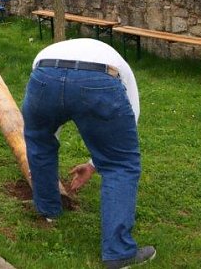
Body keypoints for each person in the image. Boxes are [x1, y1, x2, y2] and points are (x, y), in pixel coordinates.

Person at [22, 38, 154, 269]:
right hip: (98, 77)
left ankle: (49, 210)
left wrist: (91, 164)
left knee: (39, 142)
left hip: (44, 73)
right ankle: (118, 253)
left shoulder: (55, 51)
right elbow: (130, 118)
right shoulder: (120, 67)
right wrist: (98, 163)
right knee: (121, 163)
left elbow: (49, 130)